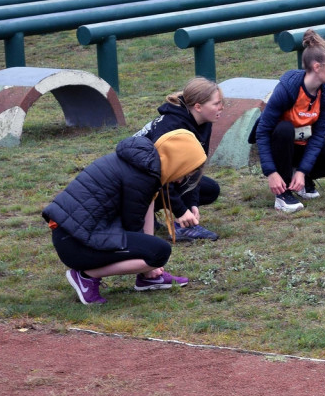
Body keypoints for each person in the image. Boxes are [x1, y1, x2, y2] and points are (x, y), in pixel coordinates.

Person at [43, 129, 207, 305]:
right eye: (185, 172)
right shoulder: (143, 175)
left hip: (71, 235)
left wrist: (149, 260)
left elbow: (147, 209)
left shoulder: (143, 165)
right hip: (74, 244)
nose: (181, 180)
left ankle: (148, 278)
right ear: (178, 161)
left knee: (154, 249)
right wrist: (151, 260)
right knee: (160, 252)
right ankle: (86, 276)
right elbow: (133, 223)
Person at [252, 29, 325, 213]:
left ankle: (300, 180)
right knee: (284, 128)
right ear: (317, 67)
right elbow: (262, 132)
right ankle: (282, 194)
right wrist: (271, 173)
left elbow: (319, 134)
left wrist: (303, 171)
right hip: (280, 146)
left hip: (302, 146)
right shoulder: (288, 89)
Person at [134, 78, 224, 242]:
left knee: (210, 189)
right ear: (198, 106)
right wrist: (181, 210)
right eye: (216, 103)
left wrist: (192, 204)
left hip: (161, 177)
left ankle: (180, 223)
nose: (221, 107)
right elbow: (160, 175)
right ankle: (142, 215)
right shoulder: (172, 127)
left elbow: (194, 167)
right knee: (166, 181)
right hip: (138, 182)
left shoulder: (204, 121)